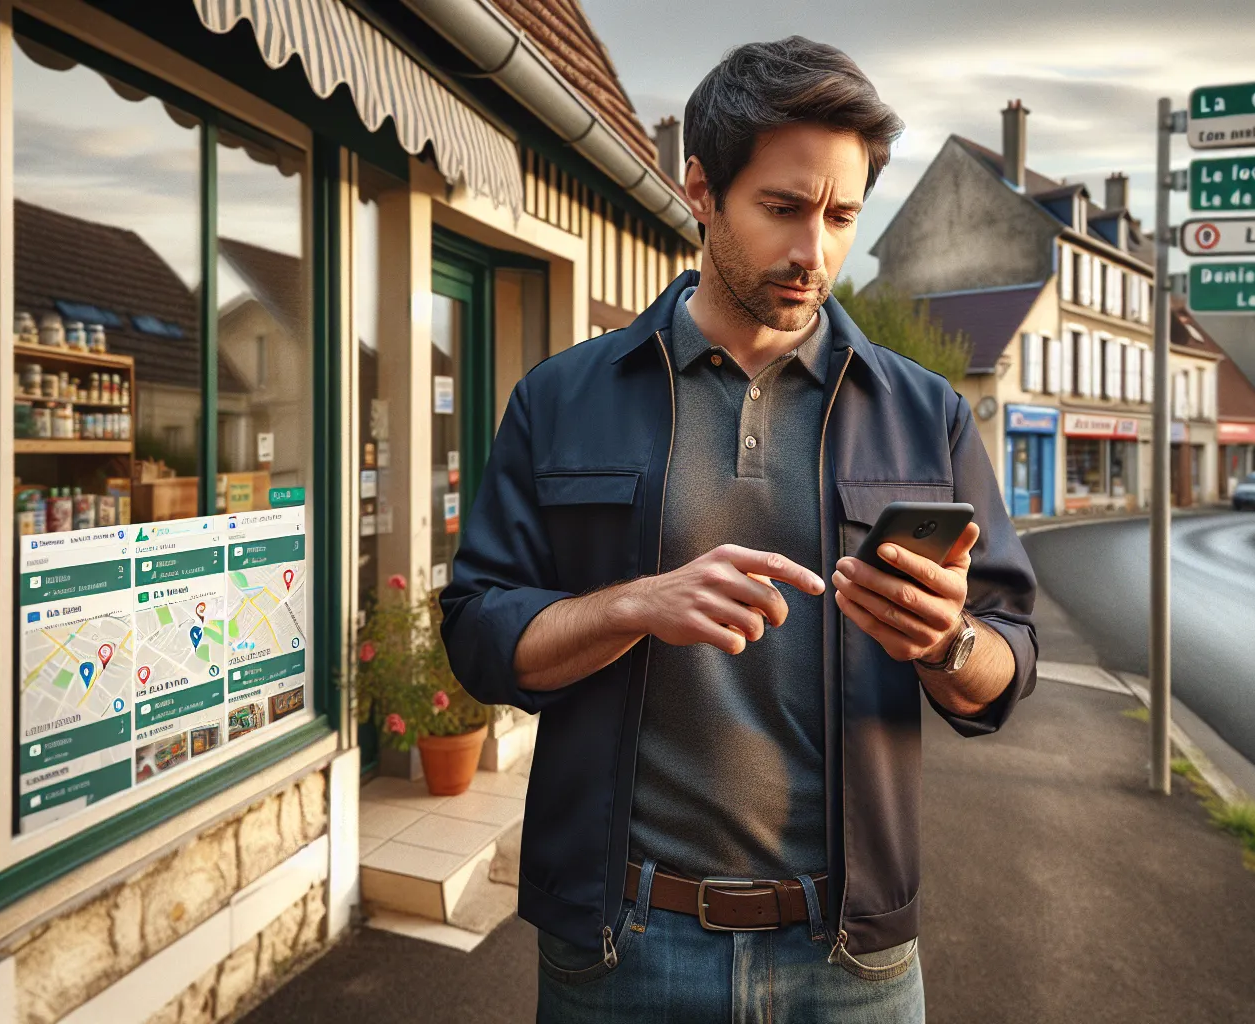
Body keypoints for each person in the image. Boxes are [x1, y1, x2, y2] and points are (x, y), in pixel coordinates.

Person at [440, 35, 1037, 1023]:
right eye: (783, 209)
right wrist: (633, 603)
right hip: (620, 948)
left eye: (842, 215)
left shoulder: (924, 413)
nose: (816, 252)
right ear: (701, 191)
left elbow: (1006, 667)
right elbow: (478, 637)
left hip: (849, 963)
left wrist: (947, 639)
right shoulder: (561, 398)